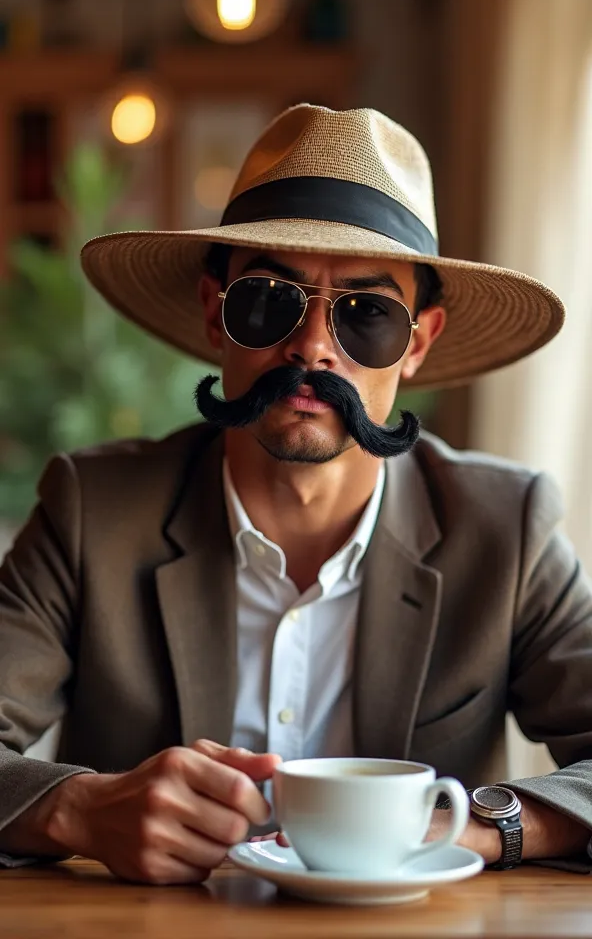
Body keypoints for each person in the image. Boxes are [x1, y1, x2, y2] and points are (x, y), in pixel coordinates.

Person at [0, 104, 591, 886]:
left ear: (417, 342)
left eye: (367, 316)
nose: (310, 346)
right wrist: (78, 808)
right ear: (217, 312)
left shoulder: (505, 530)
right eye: (269, 300)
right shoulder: (94, 510)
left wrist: (475, 827)